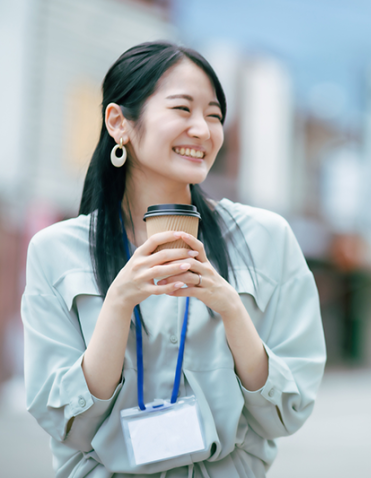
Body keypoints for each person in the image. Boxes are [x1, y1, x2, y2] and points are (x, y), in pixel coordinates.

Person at [22, 41, 326, 477]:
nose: (203, 130)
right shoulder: (56, 251)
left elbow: (286, 413)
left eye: (215, 115)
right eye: (182, 109)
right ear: (119, 123)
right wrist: (119, 303)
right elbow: (65, 421)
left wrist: (231, 310)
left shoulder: (266, 240)